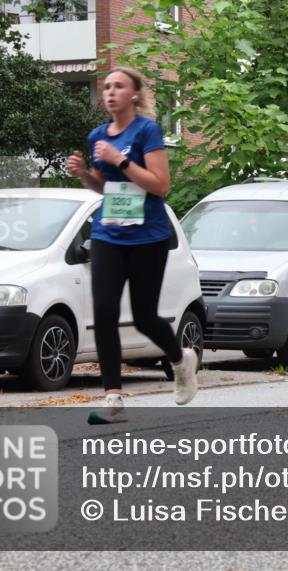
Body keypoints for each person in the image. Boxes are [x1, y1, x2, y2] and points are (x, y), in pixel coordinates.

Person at [66, 67, 198, 424]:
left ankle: (180, 360)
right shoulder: (98, 135)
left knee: (144, 316)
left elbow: (160, 185)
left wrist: (119, 160)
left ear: (134, 95)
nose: (109, 92)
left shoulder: (147, 130)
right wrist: (84, 173)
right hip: (108, 233)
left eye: (118, 86)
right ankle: (113, 397)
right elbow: (104, 188)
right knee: (105, 311)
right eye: (106, 86)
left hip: (148, 236)